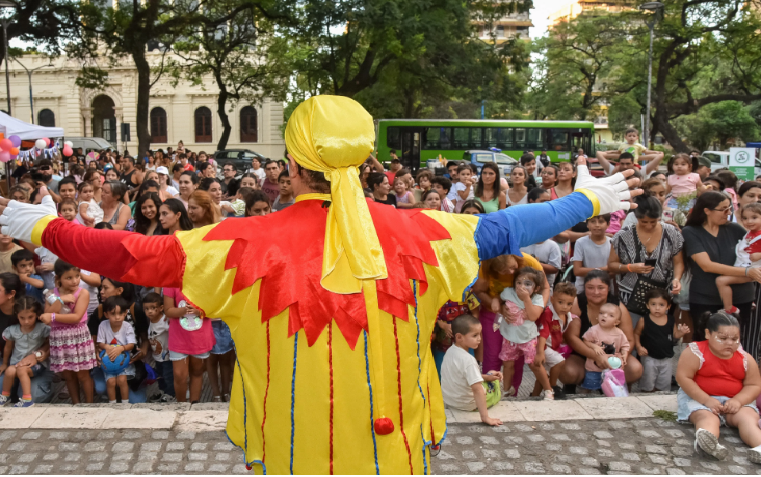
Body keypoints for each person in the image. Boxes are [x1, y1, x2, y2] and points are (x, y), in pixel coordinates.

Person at [0, 96, 639, 473]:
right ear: (362, 161)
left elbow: (129, 254)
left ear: (294, 165)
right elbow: (504, 228)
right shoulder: (429, 234)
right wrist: (583, 199)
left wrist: (44, 227)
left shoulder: (238, 244)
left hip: (286, 451)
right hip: (398, 450)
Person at [683, 192, 761, 359]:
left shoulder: (735, 229)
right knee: (704, 344)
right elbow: (706, 265)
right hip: (705, 298)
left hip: (741, 297)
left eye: (730, 208)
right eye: (724, 209)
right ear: (707, 210)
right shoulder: (691, 232)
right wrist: (746, 272)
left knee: (735, 345)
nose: (729, 213)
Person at [675, 312, 761, 462]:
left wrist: (738, 401)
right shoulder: (695, 352)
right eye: (723, 338)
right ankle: (707, 442)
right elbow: (684, 378)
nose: (730, 343)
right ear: (708, 333)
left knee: (748, 419)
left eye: (735, 339)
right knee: (707, 417)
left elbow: (753, 385)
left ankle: (759, 446)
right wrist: (707, 400)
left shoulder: (746, 359)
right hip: (700, 399)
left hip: (734, 401)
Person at [609, 195, 684, 329]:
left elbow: (678, 262)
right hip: (630, 294)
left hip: (661, 296)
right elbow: (612, 265)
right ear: (636, 217)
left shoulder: (671, 233)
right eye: (644, 222)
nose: (649, 226)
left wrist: (677, 279)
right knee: (630, 332)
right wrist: (630, 267)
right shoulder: (623, 236)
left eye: (653, 222)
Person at [561, 271, 642, 392]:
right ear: (584, 288)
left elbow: (629, 339)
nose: (596, 292)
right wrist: (596, 356)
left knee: (635, 369)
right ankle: (576, 384)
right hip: (582, 354)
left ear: (608, 288)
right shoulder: (577, 303)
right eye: (590, 288)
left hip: (613, 354)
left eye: (601, 288)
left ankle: (615, 385)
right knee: (568, 372)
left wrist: (621, 357)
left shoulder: (618, 307)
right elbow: (571, 337)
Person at [87, 278, 150, 403]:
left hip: (129, 360)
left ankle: (127, 388)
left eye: (105, 288)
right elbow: (93, 339)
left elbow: (145, 338)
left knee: (137, 402)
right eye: (101, 288)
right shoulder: (100, 311)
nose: (101, 292)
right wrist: (96, 351)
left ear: (119, 290)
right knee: (100, 388)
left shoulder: (133, 309)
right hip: (106, 360)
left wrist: (142, 351)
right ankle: (113, 392)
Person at [41, 260, 95, 404]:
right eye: (69, 278)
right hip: (59, 338)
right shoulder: (51, 294)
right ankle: (76, 404)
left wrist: (53, 316)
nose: (74, 281)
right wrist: (60, 300)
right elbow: (46, 316)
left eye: (77, 276)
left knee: (83, 375)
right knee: (69, 376)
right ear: (58, 279)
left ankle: (90, 405)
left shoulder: (82, 293)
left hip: (78, 336)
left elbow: (76, 317)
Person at [496, 267, 554, 399]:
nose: (522, 287)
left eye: (528, 284)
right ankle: (506, 391)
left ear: (537, 288)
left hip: (528, 338)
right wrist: (499, 305)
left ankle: (548, 390)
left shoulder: (537, 299)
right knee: (508, 364)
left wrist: (526, 299)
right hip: (509, 337)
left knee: (534, 365)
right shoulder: (508, 293)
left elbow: (533, 316)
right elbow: (498, 299)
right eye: (519, 283)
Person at [440, 314, 503, 426]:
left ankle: (488, 375)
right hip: (468, 404)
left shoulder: (450, 351)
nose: (479, 339)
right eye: (475, 335)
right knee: (496, 382)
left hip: (451, 401)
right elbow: (477, 390)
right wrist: (485, 417)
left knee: (488, 377)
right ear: (459, 337)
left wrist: (486, 377)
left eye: (479, 334)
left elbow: (461, 376)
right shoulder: (468, 360)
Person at [163, 285, 215, 404]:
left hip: (200, 337)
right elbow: (168, 310)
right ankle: (181, 406)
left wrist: (199, 311)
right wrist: (183, 310)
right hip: (179, 337)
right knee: (180, 375)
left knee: (197, 371)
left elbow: (214, 309)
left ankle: (194, 405)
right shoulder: (171, 282)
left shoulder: (207, 278)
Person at [634, 288, 690, 392]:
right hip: (649, 357)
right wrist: (638, 347)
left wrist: (681, 332)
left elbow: (675, 335)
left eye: (661, 305)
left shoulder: (671, 320)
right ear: (647, 305)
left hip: (666, 358)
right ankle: (647, 394)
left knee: (664, 383)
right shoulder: (643, 320)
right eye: (653, 304)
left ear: (668, 306)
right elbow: (636, 334)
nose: (657, 308)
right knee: (648, 381)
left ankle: (661, 396)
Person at [0, 296, 49, 407]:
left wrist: (42, 353)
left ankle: (27, 399)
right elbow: (7, 348)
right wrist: (4, 363)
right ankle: (5, 396)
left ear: (36, 314)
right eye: (22, 318)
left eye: (30, 317)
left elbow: (51, 341)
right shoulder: (12, 330)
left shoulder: (42, 328)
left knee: (22, 370)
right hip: (16, 362)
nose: (26, 321)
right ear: (17, 315)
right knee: (9, 371)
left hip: (37, 364)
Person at [716, 202, 761, 314]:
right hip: (745, 267)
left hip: (754, 270)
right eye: (745, 218)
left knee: (721, 280)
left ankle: (729, 308)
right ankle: (748, 302)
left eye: (754, 217)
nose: (749, 221)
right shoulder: (749, 233)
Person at [533, 282, 576, 399]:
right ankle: (552, 387)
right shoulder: (547, 314)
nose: (564, 307)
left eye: (569, 304)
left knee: (542, 376)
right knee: (559, 362)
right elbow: (542, 334)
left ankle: (534, 396)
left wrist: (563, 340)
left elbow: (563, 330)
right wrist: (540, 352)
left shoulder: (568, 315)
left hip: (552, 347)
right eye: (560, 302)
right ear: (552, 299)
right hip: (541, 346)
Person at [579, 302, 630, 392]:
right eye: (601, 313)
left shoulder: (619, 333)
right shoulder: (593, 330)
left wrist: (624, 355)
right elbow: (585, 340)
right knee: (590, 384)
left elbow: (625, 346)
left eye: (610, 315)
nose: (604, 316)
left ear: (616, 322)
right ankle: (585, 397)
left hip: (612, 367)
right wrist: (594, 346)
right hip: (594, 367)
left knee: (611, 387)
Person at [97, 296, 136, 404]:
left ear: (125, 313)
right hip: (108, 361)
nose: (117, 317)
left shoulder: (127, 326)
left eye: (120, 313)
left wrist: (121, 349)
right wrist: (106, 347)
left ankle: (125, 404)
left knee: (122, 380)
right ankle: (112, 403)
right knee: (111, 382)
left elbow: (131, 344)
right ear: (106, 314)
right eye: (113, 314)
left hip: (123, 361)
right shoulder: (103, 325)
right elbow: (100, 342)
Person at [143, 292, 174, 402]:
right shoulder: (151, 321)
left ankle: (171, 394)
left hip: (167, 356)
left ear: (161, 308)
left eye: (153, 308)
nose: (149, 311)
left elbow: (173, 332)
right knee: (160, 376)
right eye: (146, 309)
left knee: (168, 375)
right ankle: (163, 392)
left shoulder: (164, 321)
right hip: (157, 356)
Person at [572, 215, 611, 291]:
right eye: (593, 221)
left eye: (601, 222)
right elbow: (577, 270)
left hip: (605, 289)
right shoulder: (580, 242)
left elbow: (613, 271)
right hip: (583, 289)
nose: (597, 225)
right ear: (587, 225)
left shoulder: (612, 243)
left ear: (608, 224)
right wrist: (604, 269)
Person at [595, 127, 663, 166]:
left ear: (637, 138)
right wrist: (607, 152)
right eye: (629, 136)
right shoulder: (623, 145)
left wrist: (656, 152)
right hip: (623, 163)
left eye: (633, 136)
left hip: (634, 164)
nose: (631, 138)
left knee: (637, 172)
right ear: (625, 137)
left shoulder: (638, 145)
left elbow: (646, 152)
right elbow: (618, 152)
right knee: (617, 169)